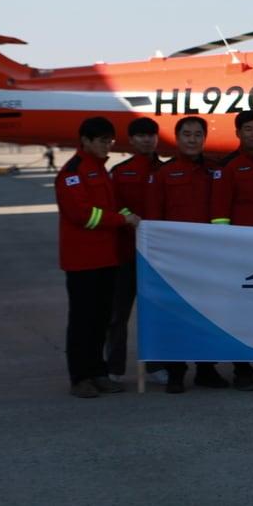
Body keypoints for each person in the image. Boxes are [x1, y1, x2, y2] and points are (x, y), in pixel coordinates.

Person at [55, 117, 138, 398]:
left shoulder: (101, 171)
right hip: (82, 262)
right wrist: (122, 220)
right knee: (82, 322)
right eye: (103, 140)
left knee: (102, 320)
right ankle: (80, 377)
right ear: (86, 141)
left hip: (106, 259)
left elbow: (114, 206)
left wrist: (132, 218)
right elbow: (83, 215)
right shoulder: (72, 173)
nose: (108, 146)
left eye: (110, 140)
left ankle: (98, 372)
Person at [154, 116, 229, 393]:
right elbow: (154, 218)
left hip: (207, 258)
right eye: (187, 134)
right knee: (176, 316)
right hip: (175, 260)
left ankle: (206, 369)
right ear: (177, 138)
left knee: (206, 315)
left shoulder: (215, 171)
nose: (192, 139)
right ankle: (176, 372)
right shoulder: (163, 174)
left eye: (198, 134)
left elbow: (222, 212)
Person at [207, 110, 253, 391]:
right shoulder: (227, 167)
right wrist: (228, 249)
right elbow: (219, 213)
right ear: (238, 133)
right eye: (248, 129)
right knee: (241, 314)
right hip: (241, 254)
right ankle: (243, 370)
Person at [106, 117, 161, 385]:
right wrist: (131, 219)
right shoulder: (119, 172)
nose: (147, 140)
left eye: (151, 135)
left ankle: (156, 365)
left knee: (156, 314)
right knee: (118, 315)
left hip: (157, 258)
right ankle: (114, 367)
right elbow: (114, 206)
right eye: (140, 135)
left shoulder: (165, 171)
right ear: (131, 139)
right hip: (127, 254)